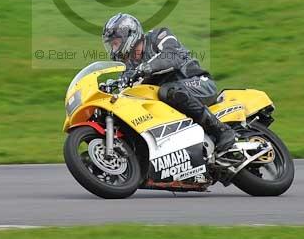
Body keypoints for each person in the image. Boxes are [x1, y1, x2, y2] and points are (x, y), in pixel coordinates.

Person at [101, 13, 237, 152]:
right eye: (111, 46)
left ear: (129, 36)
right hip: (172, 102)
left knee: (169, 91)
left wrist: (146, 68)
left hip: (198, 83)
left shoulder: (158, 36)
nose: (113, 50)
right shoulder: (129, 68)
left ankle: (222, 130)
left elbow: (173, 55)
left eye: (115, 43)